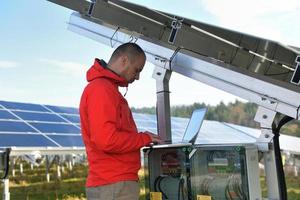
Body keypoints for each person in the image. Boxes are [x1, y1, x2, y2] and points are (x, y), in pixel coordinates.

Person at [79, 42, 162, 200]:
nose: (137, 77)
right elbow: (106, 140)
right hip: (114, 185)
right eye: (137, 70)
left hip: (114, 184)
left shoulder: (107, 89)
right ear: (124, 60)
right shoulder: (102, 89)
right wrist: (143, 138)